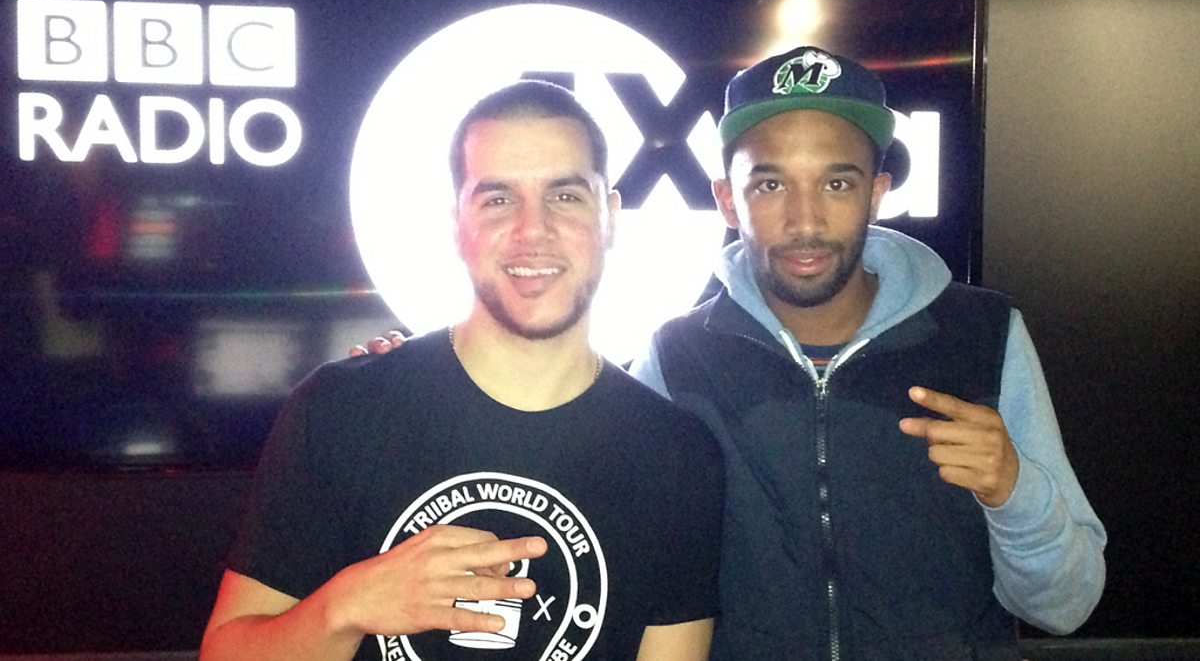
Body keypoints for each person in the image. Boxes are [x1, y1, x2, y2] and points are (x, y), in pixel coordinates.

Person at [200, 81, 724, 661]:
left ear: (611, 218)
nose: (533, 230)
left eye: (565, 195)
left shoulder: (678, 456)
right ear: (457, 225)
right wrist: (347, 605)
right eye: (498, 199)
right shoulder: (340, 412)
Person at [629, 46, 1106, 659]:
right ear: (727, 199)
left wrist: (1014, 490)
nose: (805, 220)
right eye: (770, 184)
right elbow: (628, 576)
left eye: (837, 183)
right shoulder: (675, 360)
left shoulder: (982, 337)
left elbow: (1065, 607)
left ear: (877, 193)